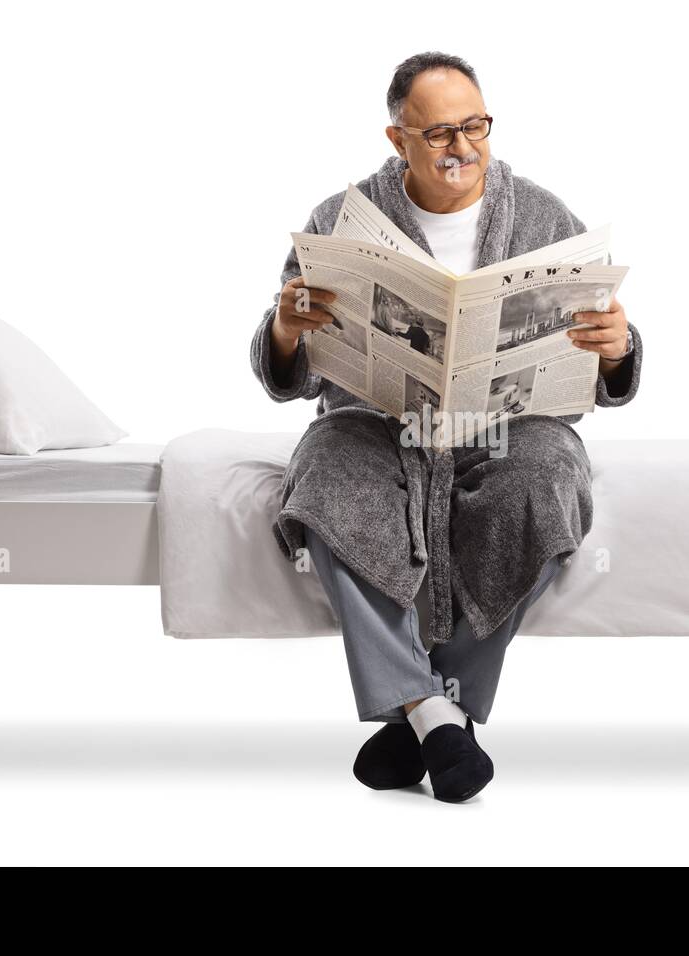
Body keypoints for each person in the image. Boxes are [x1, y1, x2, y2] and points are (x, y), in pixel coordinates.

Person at [250, 51, 643, 802]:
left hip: (507, 426)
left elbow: (609, 362)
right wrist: (285, 329)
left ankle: (418, 717)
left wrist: (618, 349)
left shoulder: (541, 216)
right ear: (398, 140)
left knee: (544, 477)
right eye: (439, 134)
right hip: (376, 425)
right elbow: (282, 369)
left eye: (475, 126)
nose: (462, 146)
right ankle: (438, 712)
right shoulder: (341, 221)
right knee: (324, 471)